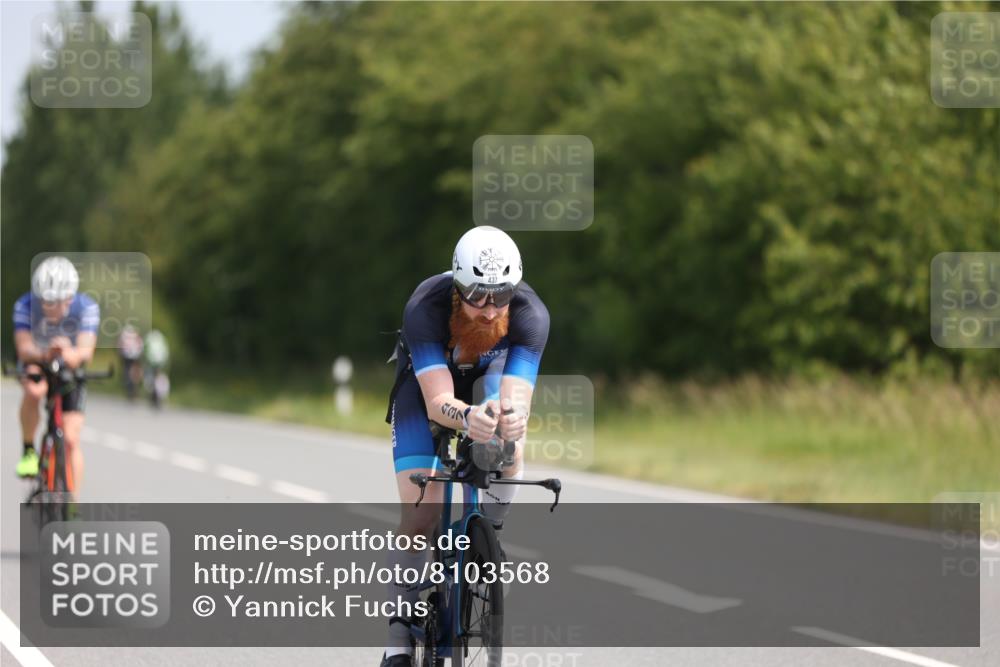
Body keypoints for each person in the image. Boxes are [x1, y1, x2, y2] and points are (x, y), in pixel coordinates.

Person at [380, 226, 549, 667]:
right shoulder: (426, 307)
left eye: (501, 295)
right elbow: (437, 403)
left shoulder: (531, 315)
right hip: (425, 393)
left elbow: (516, 395)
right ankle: (398, 638)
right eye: (477, 295)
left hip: (487, 385)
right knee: (421, 513)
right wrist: (466, 418)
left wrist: (508, 420)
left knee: (509, 436)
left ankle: (489, 537)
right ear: (458, 288)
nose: (490, 310)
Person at [12, 256, 99, 489]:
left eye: (61, 302)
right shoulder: (25, 304)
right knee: (33, 389)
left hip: (69, 365)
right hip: (38, 359)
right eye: (47, 302)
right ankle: (29, 451)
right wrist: (44, 353)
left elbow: (85, 351)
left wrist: (69, 353)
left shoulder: (87, 307)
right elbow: (24, 348)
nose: (54, 308)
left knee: (71, 438)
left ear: (71, 298)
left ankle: (72, 505)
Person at [142, 329, 170, 407]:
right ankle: (160, 394)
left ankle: (152, 392)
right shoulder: (161, 339)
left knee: (149, 377)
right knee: (158, 377)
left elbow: (144, 350)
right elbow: (166, 352)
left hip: (151, 360)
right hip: (160, 361)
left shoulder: (149, 338)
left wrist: (144, 360)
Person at [118, 324, 144, 400]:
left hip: (126, 355)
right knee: (134, 370)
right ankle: (134, 384)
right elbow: (140, 344)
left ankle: (128, 382)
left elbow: (119, 345)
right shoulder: (135, 334)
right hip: (135, 355)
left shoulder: (124, 335)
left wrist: (120, 354)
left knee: (126, 369)